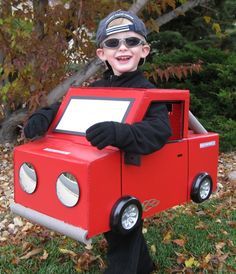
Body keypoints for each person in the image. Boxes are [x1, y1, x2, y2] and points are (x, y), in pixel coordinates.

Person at [24, 10, 172, 274]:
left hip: (130, 173)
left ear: (145, 50)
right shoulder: (94, 89)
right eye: (113, 43)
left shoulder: (150, 93)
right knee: (119, 226)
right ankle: (144, 265)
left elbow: (159, 131)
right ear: (102, 54)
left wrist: (121, 133)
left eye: (132, 41)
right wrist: (45, 115)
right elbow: (64, 108)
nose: (123, 48)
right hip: (100, 172)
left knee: (121, 225)